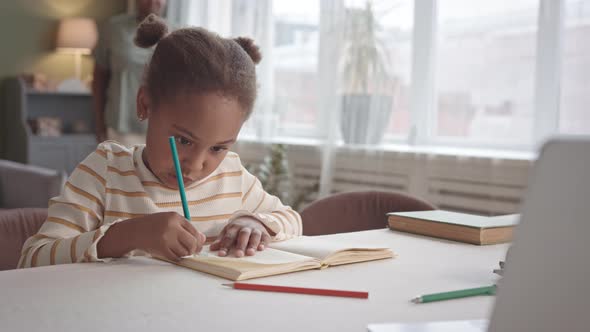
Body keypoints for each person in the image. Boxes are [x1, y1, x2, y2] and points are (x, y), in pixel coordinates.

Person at [18, 14, 302, 268]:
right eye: (183, 140)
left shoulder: (233, 177)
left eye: (218, 148)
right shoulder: (105, 173)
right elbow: (32, 259)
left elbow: (292, 220)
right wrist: (128, 235)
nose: (196, 165)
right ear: (145, 104)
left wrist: (255, 222)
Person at [92, 0, 168, 146]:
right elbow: (99, 79)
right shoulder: (113, 28)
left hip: (162, 125)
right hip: (121, 125)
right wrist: (99, 123)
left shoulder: (177, 32)